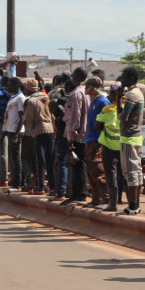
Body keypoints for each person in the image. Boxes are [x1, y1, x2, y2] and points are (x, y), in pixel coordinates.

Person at [118, 66, 145, 215]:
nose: (122, 80)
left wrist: (118, 99)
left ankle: (133, 206)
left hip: (129, 137)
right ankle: (136, 205)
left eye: (124, 77)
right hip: (137, 136)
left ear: (132, 79)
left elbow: (122, 117)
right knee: (137, 170)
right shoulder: (139, 93)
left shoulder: (130, 95)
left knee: (130, 172)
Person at [63, 68, 90, 204]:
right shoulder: (87, 92)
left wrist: (71, 137)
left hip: (77, 135)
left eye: (73, 75)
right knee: (81, 164)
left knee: (77, 164)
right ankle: (80, 193)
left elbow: (75, 117)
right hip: (85, 134)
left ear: (78, 77)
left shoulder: (76, 94)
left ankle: (79, 193)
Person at [22, 78, 54, 195]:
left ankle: (40, 187)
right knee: (49, 159)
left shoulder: (31, 101)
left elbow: (30, 119)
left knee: (39, 160)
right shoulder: (46, 97)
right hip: (50, 129)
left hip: (39, 130)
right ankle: (52, 185)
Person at [83, 77, 109, 207]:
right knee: (91, 172)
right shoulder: (93, 102)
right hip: (89, 140)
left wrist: (101, 141)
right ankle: (95, 199)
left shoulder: (102, 102)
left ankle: (106, 199)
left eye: (86, 86)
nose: (85, 88)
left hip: (97, 141)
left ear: (92, 87)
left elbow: (108, 122)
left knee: (98, 171)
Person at [96, 83, 123, 212]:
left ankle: (113, 204)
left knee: (111, 173)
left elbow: (97, 126)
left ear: (112, 94)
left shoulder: (107, 109)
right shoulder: (127, 108)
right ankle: (129, 202)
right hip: (124, 144)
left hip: (108, 145)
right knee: (125, 173)